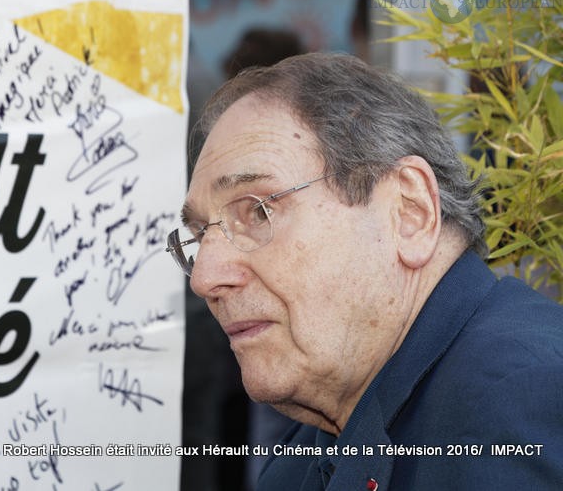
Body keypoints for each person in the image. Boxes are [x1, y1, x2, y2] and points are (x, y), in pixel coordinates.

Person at [166, 52, 563, 489]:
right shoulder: (310, 448)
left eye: (258, 211)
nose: (205, 278)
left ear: (410, 212)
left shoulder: (521, 402)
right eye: (201, 234)